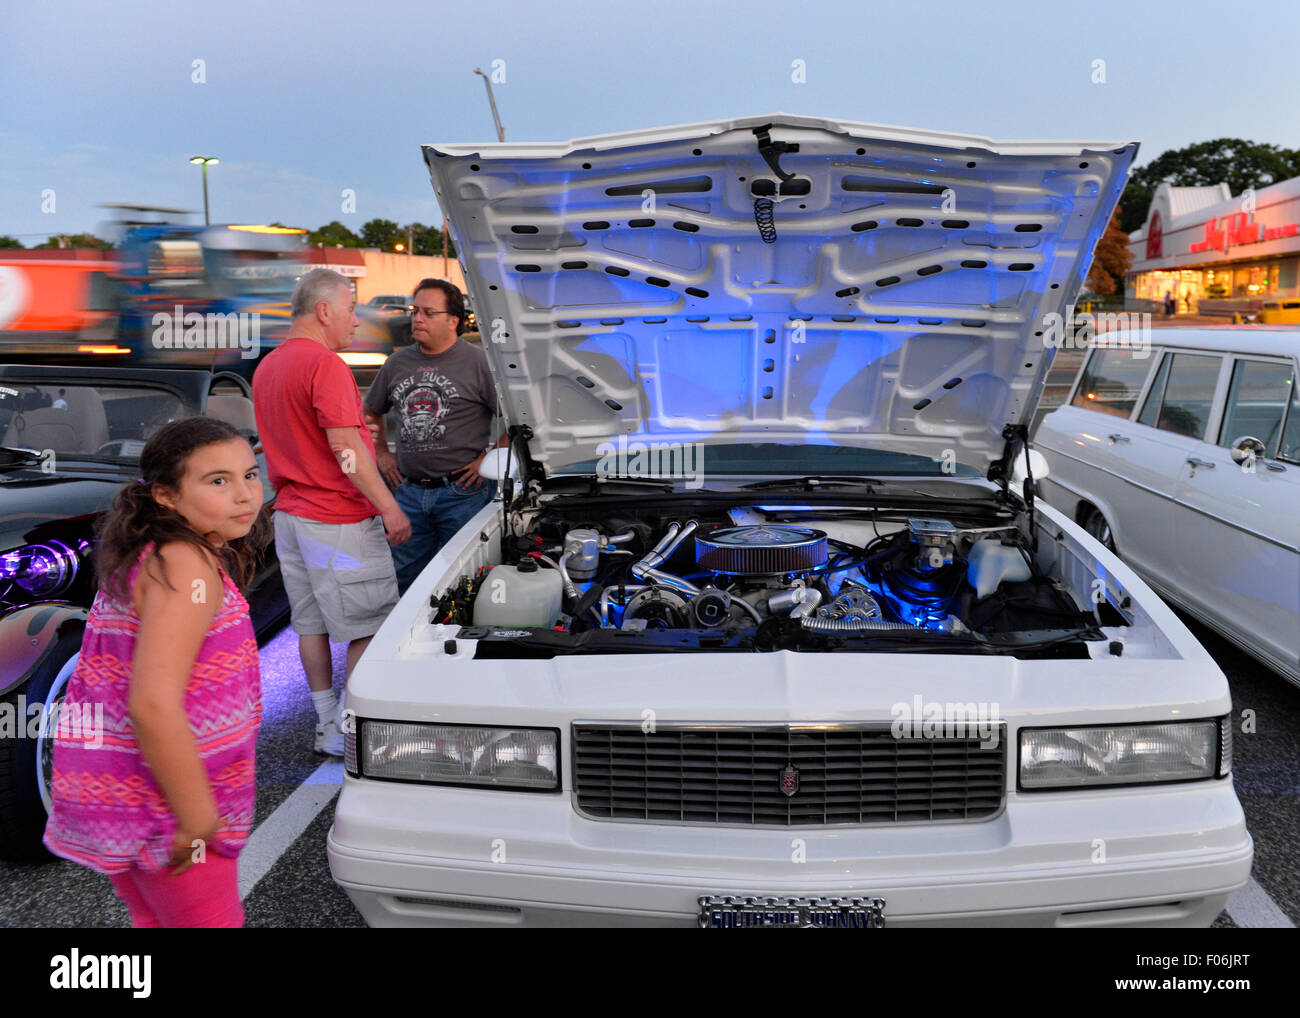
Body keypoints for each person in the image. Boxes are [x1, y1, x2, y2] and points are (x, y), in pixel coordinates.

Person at [43, 418, 267, 927]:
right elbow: (152, 702)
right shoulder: (186, 564)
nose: (245, 495)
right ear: (166, 495)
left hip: (123, 793)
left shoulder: (153, 552)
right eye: (218, 481)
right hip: (163, 805)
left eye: (250, 475)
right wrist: (196, 817)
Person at [251, 269, 410, 756]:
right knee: (369, 624)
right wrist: (389, 508)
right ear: (323, 311)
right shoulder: (325, 366)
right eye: (349, 311)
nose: (355, 323)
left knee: (312, 625)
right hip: (337, 519)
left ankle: (325, 724)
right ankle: (347, 727)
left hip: (292, 517)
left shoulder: (268, 367)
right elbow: (346, 449)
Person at [364, 278, 505, 594]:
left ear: (453, 320)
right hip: (408, 493)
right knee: (406, 582)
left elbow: (515, 420)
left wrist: (488, 459)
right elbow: (370, 412)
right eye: (415, 311)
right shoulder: (398, 363)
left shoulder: (479, 363)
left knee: (467, 580)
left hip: (463, 494)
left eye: (428, 312)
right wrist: (382, 455)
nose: (417, 319)